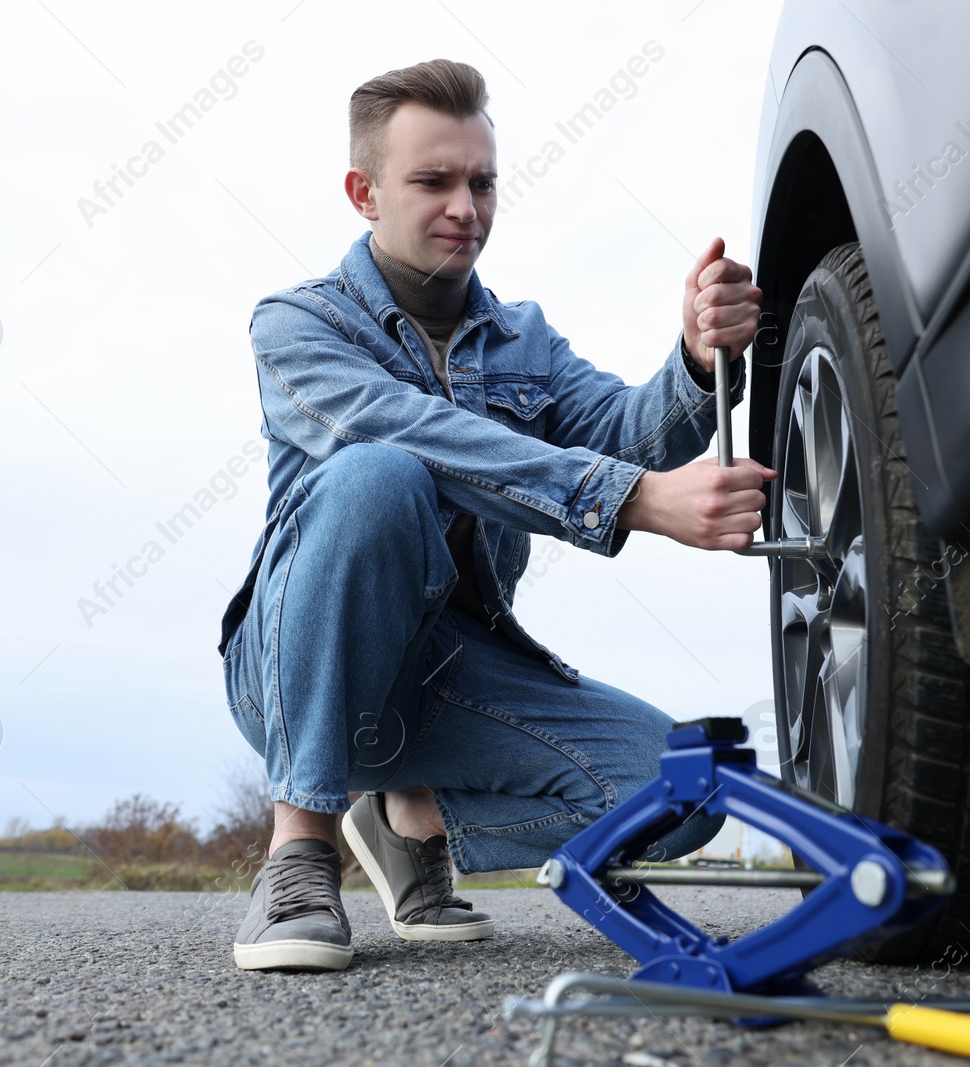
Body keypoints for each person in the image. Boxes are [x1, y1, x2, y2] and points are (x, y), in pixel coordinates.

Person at [218, 57, 775, 971]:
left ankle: (411, 815)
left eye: (481, 183)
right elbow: (418, 436)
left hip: (452, 672)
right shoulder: (295, 325)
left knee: (684, 790)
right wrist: (632, 504)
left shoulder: (524, 337)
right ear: (363, 192)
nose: (464, 208)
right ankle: (299, 848)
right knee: (380, 478)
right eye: (433, 181)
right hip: (294, 669)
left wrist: (698, 356)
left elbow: (628, 432)